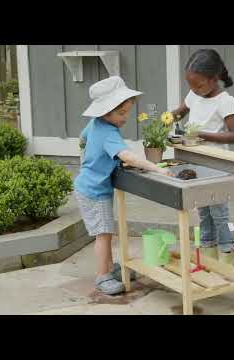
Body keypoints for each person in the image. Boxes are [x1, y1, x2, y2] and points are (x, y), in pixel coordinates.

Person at [75, 76, 173, 295]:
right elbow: (127, 156)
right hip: (94, 191)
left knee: (106, 232)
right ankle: (103, 276)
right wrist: (156, 168)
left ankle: (109, 268)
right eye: (121, 113)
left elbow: (82, 139)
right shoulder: (109, 133)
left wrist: (90, 157)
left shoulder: (95, 123)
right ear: (105, 112)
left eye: (127, 112)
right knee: (103, 234)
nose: (125, 118)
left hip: (88, 185)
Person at [171, 49, 234, 264]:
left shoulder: (224, 101)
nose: (194, 90)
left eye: (199, 85)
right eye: (190, 85)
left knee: (219, 212)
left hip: (218, 165)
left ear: (214, 79)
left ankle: (228, 251)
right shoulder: (195, 94)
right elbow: (179, 112)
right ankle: (208, 252)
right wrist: (166, 118)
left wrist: (200, 134)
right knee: (203, 210)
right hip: (197, 162)